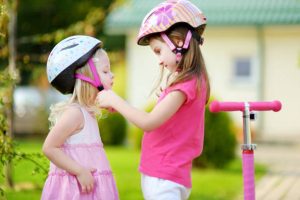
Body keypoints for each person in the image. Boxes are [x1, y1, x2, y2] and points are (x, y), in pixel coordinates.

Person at [96, 0, 210, 199]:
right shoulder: (194, 80)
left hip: (163, 177)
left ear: (179, 42)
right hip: (168, 175)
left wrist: (115, 100)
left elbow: (148, 123)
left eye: (158, 50)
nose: (158, 59)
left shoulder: (184, 85)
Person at [41, 35, 119, 200]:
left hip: (90, 189)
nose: (112, 75)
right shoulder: (75, 113)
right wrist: (80, 171)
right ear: (88, 77)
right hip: (75, 191)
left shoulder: (88, 112)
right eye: (105, 71)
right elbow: (49, 147)